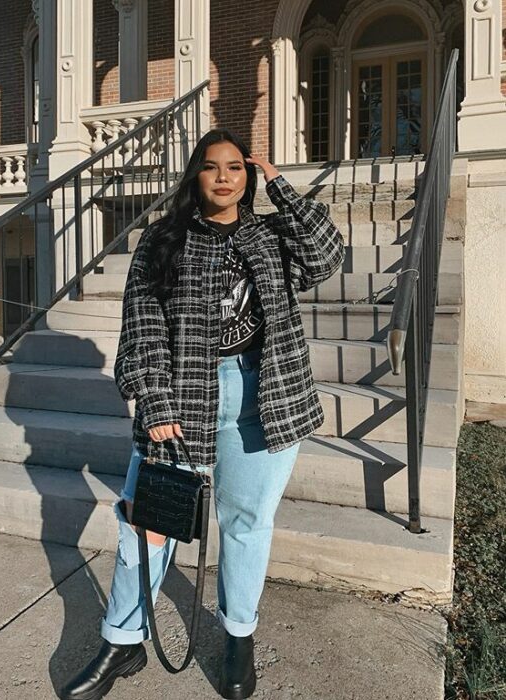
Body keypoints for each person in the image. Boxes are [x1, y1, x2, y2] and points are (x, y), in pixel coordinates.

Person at [61, 128, 344, 700]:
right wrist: (154, 397)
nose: (223, 176)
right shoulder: (163, 239)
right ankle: (122, 640)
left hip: (266, 396)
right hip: (184, 395)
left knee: (245, 524)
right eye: (212, 166)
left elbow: (328, 254)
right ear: (195, 175)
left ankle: (238, 637)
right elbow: (140, 323)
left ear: (248, 175)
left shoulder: (272, 235)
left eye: (236, 166)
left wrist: (282, 187)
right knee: (149, 523)